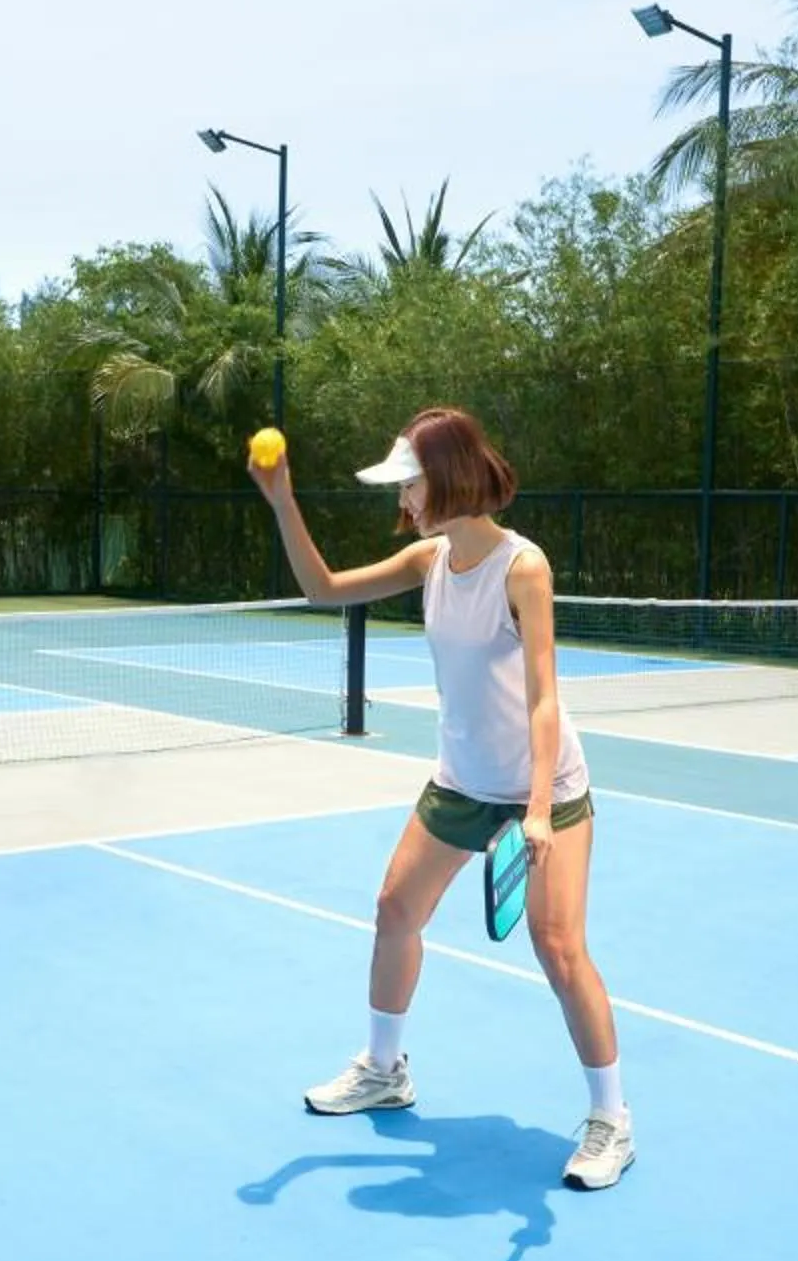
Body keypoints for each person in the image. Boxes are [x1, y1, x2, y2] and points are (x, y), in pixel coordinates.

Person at [245, 407, 631, 1191]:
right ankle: (385, 1070)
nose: (406, 498)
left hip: (545, 789)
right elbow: (323, 590)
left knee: (558, 948)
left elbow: (545, 700)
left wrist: (532, 807)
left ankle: (611, 1119)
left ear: (448, 476)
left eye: (412, 481)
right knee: (395, 910)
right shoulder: (429, 561)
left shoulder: (523, 569)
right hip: (461, 782)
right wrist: (281, 499)